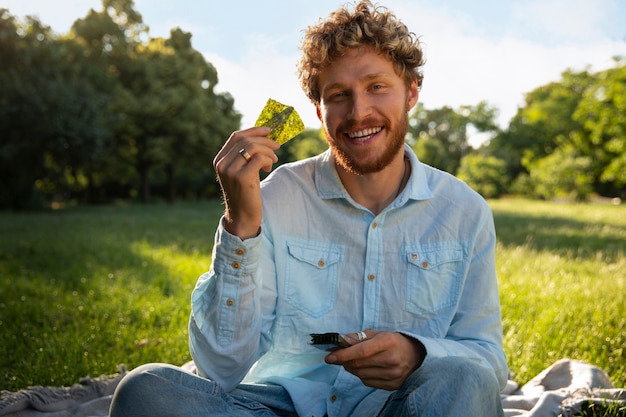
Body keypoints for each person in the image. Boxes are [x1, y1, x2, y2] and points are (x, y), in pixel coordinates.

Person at [109, 1, 508, 416]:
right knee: (145, 389)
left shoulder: (464, 211)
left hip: (403, 408)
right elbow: (220, 367)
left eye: (376, 87)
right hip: (277, 406)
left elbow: (488, 363)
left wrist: (418, 353)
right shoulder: (276, 196)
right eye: (339, 95)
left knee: (467, 379)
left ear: (411, 93)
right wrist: (241, 224)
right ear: (319, 111)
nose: (358, 113)